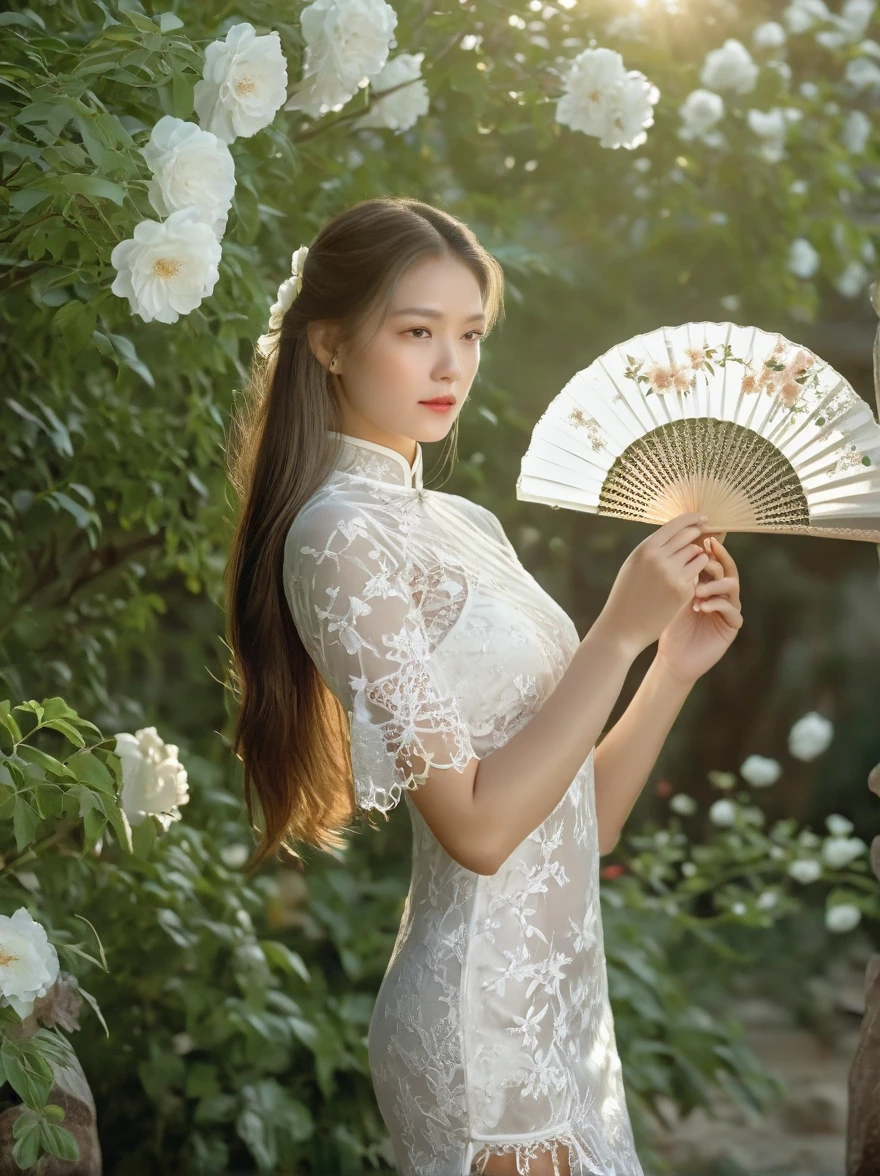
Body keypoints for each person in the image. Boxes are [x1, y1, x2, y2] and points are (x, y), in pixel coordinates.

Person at [224, 196, 744, 1176]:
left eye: (468, 334)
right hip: (479, 1030)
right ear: (329, 344)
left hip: (564, 1029)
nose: (448, 365)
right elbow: (477, 829)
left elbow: (575, 825)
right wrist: (618, 631)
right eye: (415, 331)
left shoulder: (469, 527)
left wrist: (667, 663)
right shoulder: (337, 538)